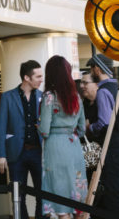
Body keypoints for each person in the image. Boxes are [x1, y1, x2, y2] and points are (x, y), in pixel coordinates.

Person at [39, 56, 87, 219]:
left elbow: (45, 130)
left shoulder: (49, 97)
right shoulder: (77, 97)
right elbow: (81, 129)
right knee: (76, 195)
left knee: (60, 199)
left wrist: (38, 126)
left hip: (55, 147)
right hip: (73, 147)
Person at [86, 54, 119, 218]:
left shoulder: (103, 91)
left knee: (115, 198)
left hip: (112, 148)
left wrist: (90, 127)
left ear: (97, 69)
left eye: (91, 68)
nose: (91, 72)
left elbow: (104, 123)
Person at [0, 60, 43, 219]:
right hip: (17, 153)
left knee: (42, 194)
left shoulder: (43, 97)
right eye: (38, 76)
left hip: (39, 152)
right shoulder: (8, 97)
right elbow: (1, 127)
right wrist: (1, 154)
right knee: (18, 195)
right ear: (26, 78)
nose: (41, 79)